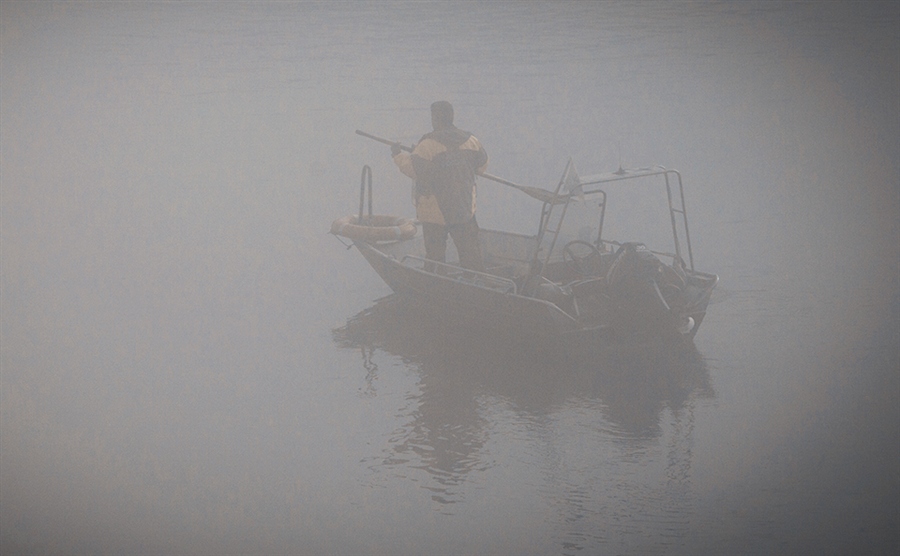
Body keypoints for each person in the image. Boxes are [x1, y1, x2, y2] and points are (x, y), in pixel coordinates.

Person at [391, 101, 488, 272]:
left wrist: (398, 155)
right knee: (471, 254)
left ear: (435, 118)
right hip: (464, 209)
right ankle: (476, 282)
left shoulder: (427, 146)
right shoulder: (472, 142)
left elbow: (413, 169)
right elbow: (481, 167)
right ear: (451, 117)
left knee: (435, 256)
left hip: (435, 213)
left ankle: (435, 286)